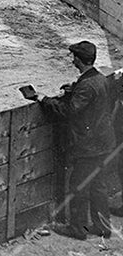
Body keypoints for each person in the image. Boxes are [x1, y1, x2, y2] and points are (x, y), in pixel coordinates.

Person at [23, 41, 115, 239]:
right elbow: (89, 97)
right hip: (104, 143)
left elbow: (68, 111)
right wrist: (73, 90)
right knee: (98, 186)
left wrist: (42, 98)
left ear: (80, 61)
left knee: (78, 186)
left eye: (74, 57)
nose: (72, 60)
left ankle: (77, 229)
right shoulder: (99, 79)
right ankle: (103, 227)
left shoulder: (87, 86)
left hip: (89, 146)